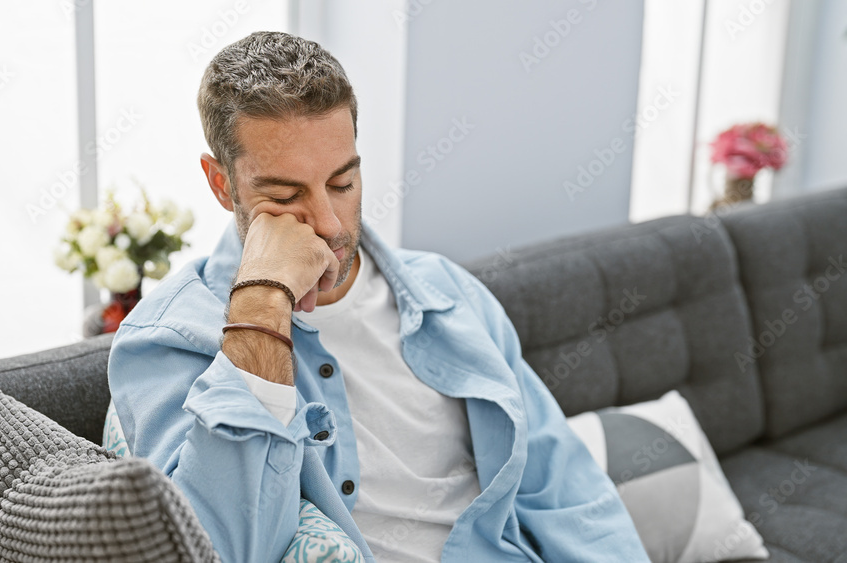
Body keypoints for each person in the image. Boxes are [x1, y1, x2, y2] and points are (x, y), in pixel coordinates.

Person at [108, 31, 649, 563]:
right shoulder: (164, 341)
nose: (326, 223)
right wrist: (263, 301)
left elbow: (563, 491)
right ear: (221, 184)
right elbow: (223, 546)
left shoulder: (448, 293)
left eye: (342, 184)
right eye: (283, 195)